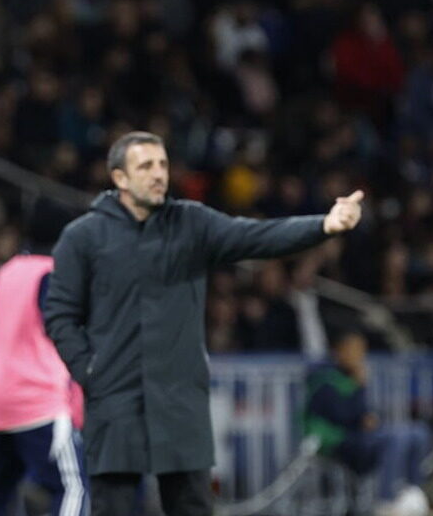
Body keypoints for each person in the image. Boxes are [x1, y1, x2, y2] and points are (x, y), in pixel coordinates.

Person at [44, 131, 363, 516]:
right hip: (116, 401)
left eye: (163, 164)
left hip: (180, 400)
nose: (158, 174)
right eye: (145, 166)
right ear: (120, 178)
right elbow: (59, 313)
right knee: (113, 508)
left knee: (193, 507)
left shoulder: (190, 223)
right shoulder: (83, 238)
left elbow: (256, 236)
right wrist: (89, 372)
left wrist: (323, 225)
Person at [0, 247, 87, 516]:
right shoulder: (53, 271)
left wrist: (1, 353)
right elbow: (60, 325)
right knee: (72, 487)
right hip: (38, 398)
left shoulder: (9, 270)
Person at [304, 328, 432, 513]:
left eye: (361, 350)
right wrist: (359, 388)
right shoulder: (325, 379)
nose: (358, 356)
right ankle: (386, 500)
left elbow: (363, 413)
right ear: (338, 350)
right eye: (353, 349)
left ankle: (413, 490)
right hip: (339, 441)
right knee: (395, 438)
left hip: (361, 438)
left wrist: (369, 415)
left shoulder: (352, 377)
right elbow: (340, 416)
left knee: (418, 431)